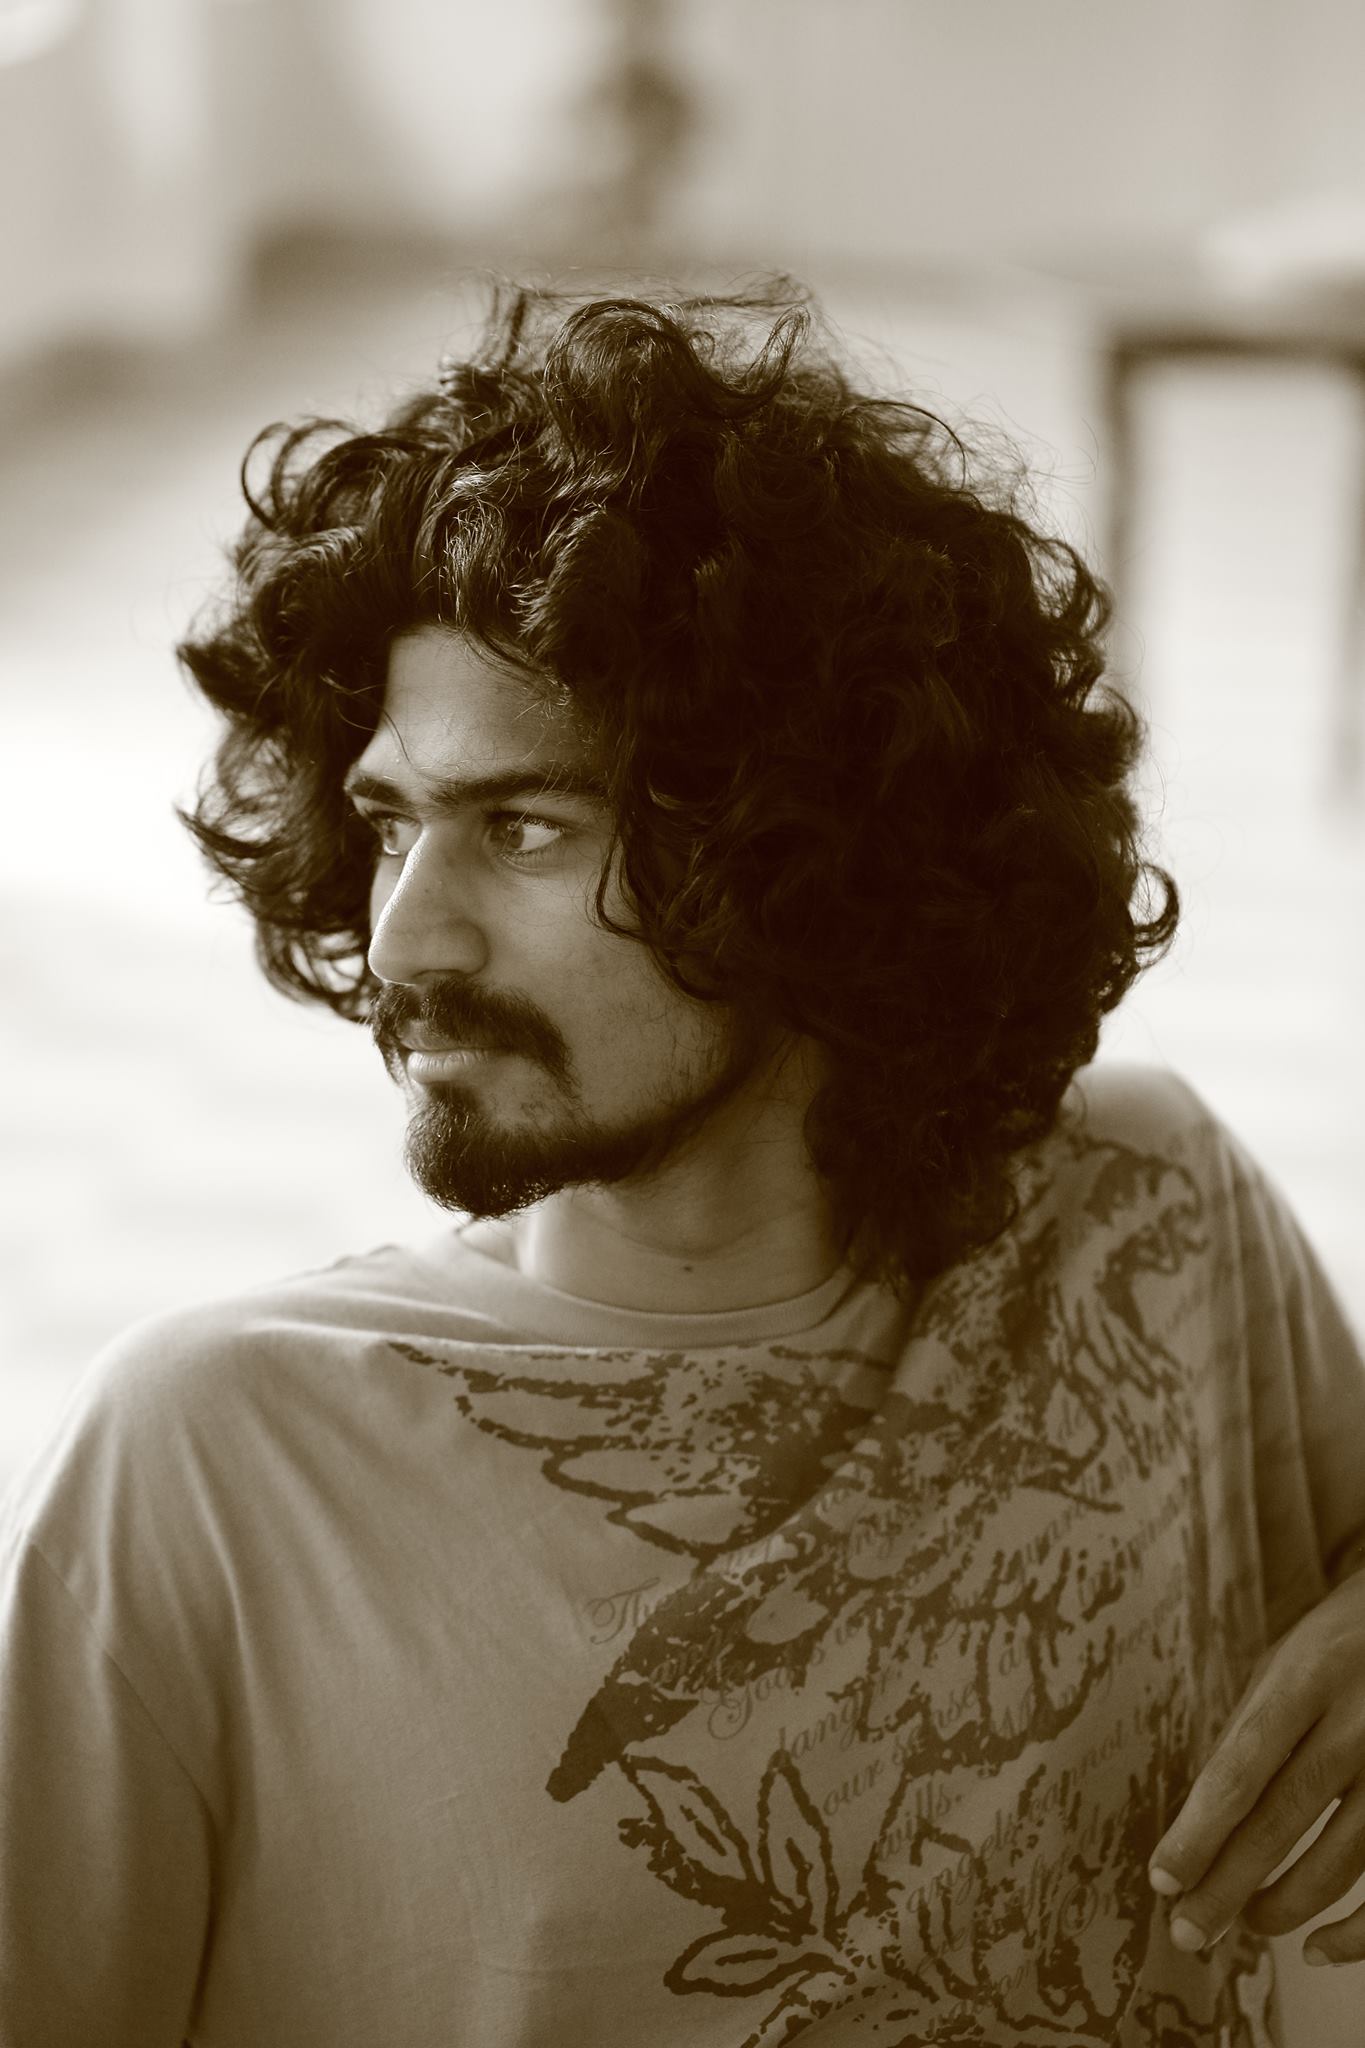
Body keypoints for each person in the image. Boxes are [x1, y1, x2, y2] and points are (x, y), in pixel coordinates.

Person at [2, 277, 1363, 2047]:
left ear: (804, 849)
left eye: (523, 828)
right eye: (391, 822)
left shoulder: (1140, 1208)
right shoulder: (210, 1459)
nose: (406, 937)